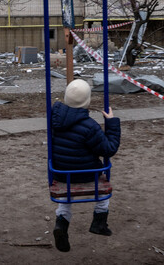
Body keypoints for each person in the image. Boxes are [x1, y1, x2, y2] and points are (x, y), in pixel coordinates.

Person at [51, 79, 121, 252]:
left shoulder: (53, 120)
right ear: (87, 101)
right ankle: (99, 222)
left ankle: (61, 224)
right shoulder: (90, 126)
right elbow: (108, 149)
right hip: (87, 174)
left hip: (61, 173)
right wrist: (111, 123)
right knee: (103, 190)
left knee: (65, 200)